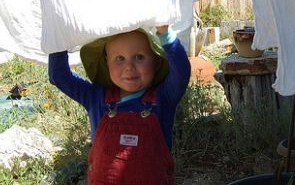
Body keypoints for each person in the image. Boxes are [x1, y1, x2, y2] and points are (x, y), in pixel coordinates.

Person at [48, 25, 190, 184]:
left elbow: (182, 72)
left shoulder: (162, 98)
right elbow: (59, 77)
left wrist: (165, 34)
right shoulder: (96, 98)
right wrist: (57, 41)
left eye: (139, 57)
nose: (129, 67)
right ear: (106, 63)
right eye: (119, 59)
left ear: (156, 62)